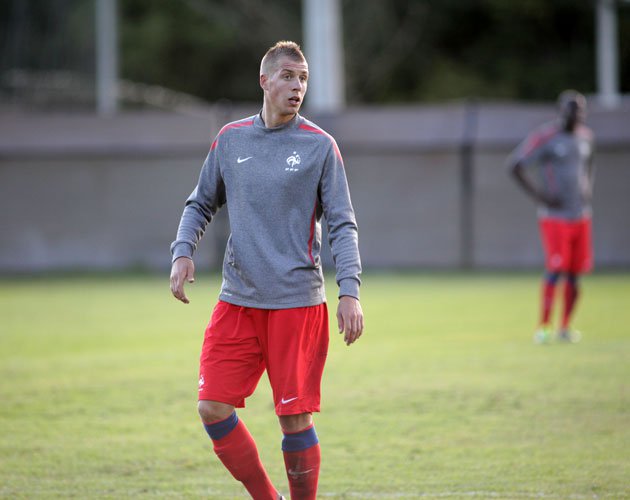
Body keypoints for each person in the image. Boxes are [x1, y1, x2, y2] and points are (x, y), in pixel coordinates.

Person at [169, 40, 364, 499]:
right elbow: (200, 203)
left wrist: (350, 292)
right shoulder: (231, 139)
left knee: (294, 418)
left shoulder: (320, 146)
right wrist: (182, 251)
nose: (297, 87)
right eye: (288, 77)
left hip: (297, 304)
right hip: (238, 301)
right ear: (264, 81)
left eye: (303, 79)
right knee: (211, 407)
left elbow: (343, 223)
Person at [507, 90, 595, 344]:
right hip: (555, 217)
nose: (575, 114)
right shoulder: (546, 137)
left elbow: (590, 166)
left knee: (574, 273)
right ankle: (544, 327)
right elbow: (515, 165)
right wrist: (541, 197)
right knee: (556, 268)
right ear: (561, 112)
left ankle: (565, 327)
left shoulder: (587, 138)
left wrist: (588, 187)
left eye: (579, 110)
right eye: (570, 110)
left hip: (581, 215)